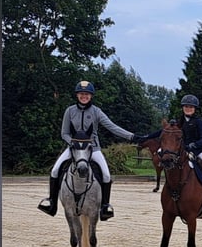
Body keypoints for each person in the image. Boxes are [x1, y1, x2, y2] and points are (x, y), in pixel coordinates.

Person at [37, 80, 138, 220]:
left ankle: (105, 206)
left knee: (106, 175)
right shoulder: (70, 111)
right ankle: (51, 202)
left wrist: (131, 136)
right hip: (73, 148)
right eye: (81, 94)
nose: (84, 96)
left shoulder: (96, 111)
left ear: (91, 96)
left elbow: (112, 126)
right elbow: (64, 133)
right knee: (55, 170)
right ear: (77, 95)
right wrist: (72, 143)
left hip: (93, 148)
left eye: (87, 94)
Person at [137, 94, 202, 201]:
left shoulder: (199, 122)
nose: (188, 109)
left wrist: (194, 145)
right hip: (184, 150)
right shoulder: (180, 122)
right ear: (183, 108)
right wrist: (145, 137)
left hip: (200, 150)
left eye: (191, 107)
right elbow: (162, 132)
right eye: (186, 106)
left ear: (195, 109)